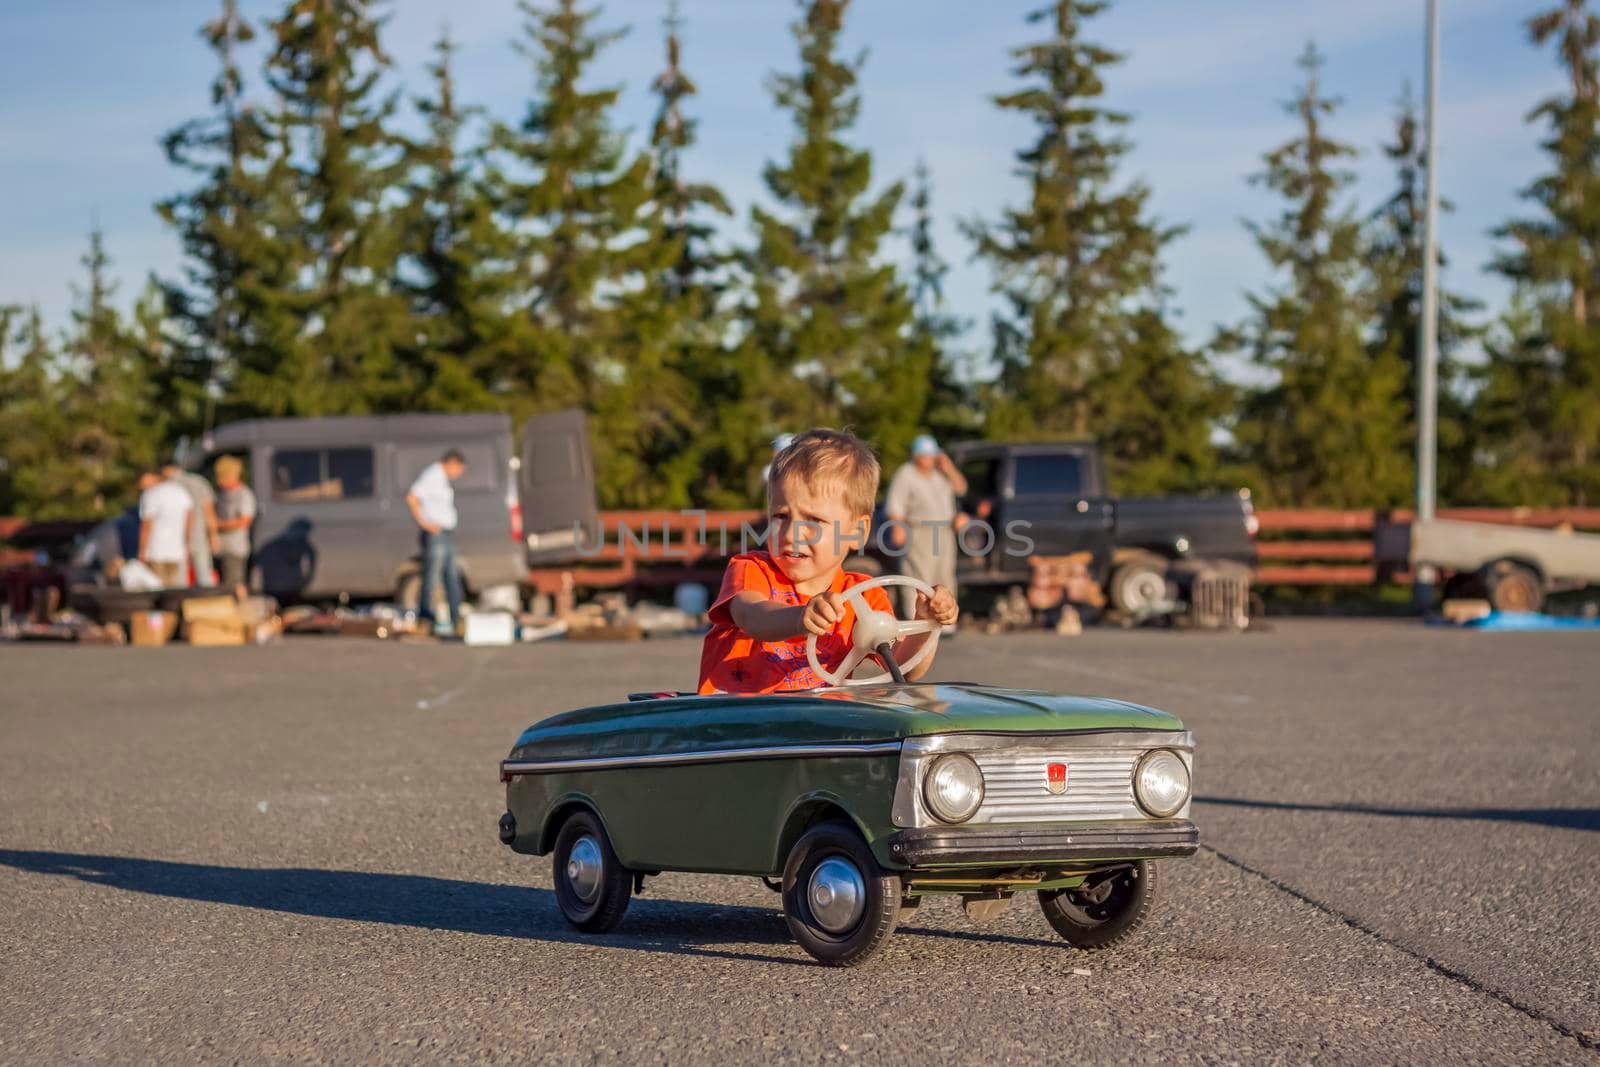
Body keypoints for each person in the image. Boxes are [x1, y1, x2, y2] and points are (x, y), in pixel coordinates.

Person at [699, 428, 958, 694]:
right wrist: (800, 617)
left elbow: (904, 668)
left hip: (816, 729)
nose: (791, 534)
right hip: (736, 724)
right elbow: (751, 616)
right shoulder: (751, 570)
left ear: (857, 531)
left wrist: (925, 623)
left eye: (814, 520)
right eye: (780, 516)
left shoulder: (863, 597)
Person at [884, 434, 968, 624]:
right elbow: (896, 504)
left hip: (944, 532)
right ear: (917, 456)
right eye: (926, 455)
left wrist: (949, 467)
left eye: (932, 455)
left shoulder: (940, 475)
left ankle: (945, 622)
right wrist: (898, 527)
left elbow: (962, 488)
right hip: (919, 531)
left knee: (944, 576)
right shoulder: (906, 474)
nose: (930, 459)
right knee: (919, 577)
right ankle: (917, 622)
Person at [405, 448, 467, 636]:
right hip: (436, 535)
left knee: (452, 578)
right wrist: (426, 524)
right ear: (452, 463)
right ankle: (425, 618)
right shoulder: (432, 474)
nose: (459, 474)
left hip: (446, 534)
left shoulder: (441, 478)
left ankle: (456, 619)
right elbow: (412, 497)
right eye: (459, 469)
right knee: (431, 577)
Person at [164, 461, 219, 588]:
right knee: (204, 573)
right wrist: (213, 536)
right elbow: (209, 511)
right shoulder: (199, 481)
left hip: (176, 536)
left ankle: (181, 604)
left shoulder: (168, 485)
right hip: (199, 533)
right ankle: (208, 602)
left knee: (180, 578)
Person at [137, 469, 193, 588]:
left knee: (156, 588)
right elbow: (188, 521)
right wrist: (186, 545)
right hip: (177, 550)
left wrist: (142, 551)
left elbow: (146, 525)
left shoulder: (151, 494)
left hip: (155, 551)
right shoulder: (181, 492)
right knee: (173, 587)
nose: (142, 486)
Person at [212, 455, 257, 599]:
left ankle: (240, 613)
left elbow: (245, 520)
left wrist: (218, 525)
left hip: (235, 548)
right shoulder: (221, 494)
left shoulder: (244, 494)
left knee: (235, 585)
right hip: (220, 548)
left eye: (221, 476)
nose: (219, 480)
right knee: (223, 586)